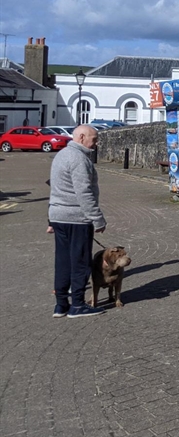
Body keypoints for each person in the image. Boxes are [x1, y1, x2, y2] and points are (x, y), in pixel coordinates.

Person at [48, 124, 107, 318]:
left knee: (62, 261)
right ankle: (78, 305)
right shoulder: (79, 159)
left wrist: (50, 218)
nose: (96, 143)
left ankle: (61, 304)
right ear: (81, 137)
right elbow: (84, 193)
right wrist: (97, 219)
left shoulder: (61, 155)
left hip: (59, 217)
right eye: (94, 138)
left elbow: (54, 188)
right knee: (80, 262)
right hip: (77, 219)